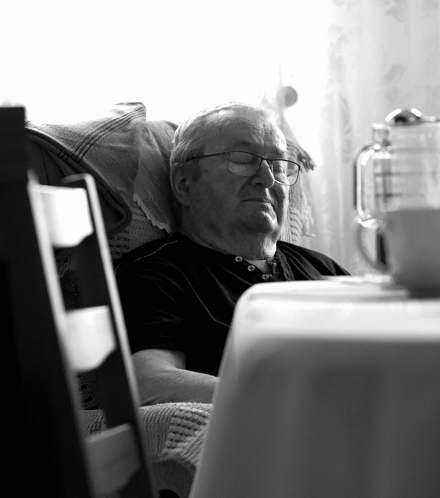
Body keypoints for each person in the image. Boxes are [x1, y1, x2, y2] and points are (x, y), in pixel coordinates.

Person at [115, 102, 349, 405]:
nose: (267, 178)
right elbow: (149, 382)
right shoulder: (156, 276)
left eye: (278, 166)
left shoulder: (323, 269)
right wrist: (295, 402)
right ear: (184, 183)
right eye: (242, 160)